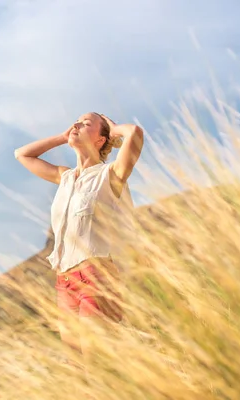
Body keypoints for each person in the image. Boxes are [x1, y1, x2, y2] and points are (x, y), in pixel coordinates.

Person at [14, 112, 144, 368]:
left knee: (98, 365)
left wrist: (115, 129)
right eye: (76, 121)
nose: (77, 124)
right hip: (65, 280)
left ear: (100, 140)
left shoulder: (111, 175)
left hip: (98, 277)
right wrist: (64, 137)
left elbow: (135, 133)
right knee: (75, 367)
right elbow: (22, 154)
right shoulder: (64, 177)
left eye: (86, 124)